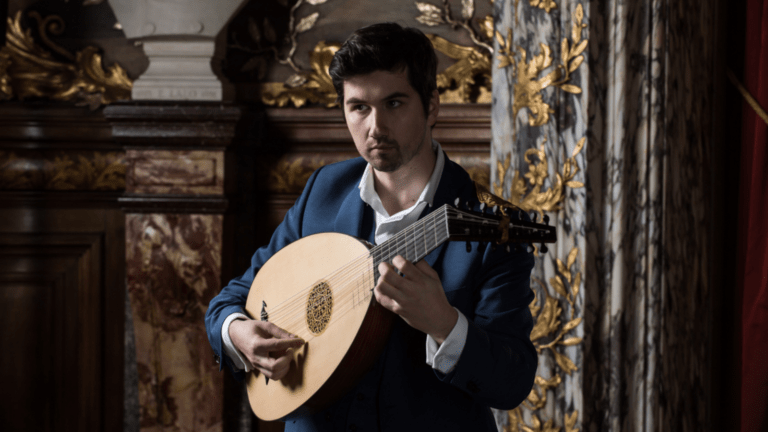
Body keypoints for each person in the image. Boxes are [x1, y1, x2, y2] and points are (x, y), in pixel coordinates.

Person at [205, 22, 537, 431]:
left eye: (394, 103)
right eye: (359, 107)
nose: (375, 127)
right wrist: (238, 333)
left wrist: (444, 325)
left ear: (431, 105)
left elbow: (512, 382)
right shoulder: (323, 191)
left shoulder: (491, 225)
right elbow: (233, 299)